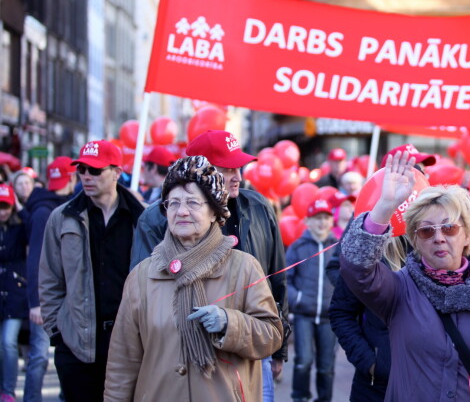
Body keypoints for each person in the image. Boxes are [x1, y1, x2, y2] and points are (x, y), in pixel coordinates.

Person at [339, 151, 470, 402]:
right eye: (426, 231)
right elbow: (356, 269)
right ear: (415, 240)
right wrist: (384, 206)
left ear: (468, 235)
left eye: (449, 228)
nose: (439, 237)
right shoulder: (399, 290)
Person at [104, 155, 283, 400]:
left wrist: (229, 324)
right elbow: (123, 361)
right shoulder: (143, 276)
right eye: (173, 203)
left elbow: (272, 335)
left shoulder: (243, 268)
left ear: (214, 212)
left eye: (192, 203)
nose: (182, 212)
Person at [39, 140, 145, 402]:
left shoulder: (140, 218)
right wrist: (57, 333)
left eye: (95, 170)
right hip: (76, 347)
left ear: (116, 173)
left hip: (128, 343)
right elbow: (50, 278)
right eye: (82, 169)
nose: (86, 176)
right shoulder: (62, 218)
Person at [329, 232, 410, 401]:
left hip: (427, 383)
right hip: (375, 385)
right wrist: (370, 363)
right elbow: (342, 312)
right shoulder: (363, 250)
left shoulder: (432, 248)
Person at [22, 157, 77, 402]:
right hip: (50, 296)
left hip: (70, 295)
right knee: (40, 356)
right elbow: (35, 257)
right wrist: (36, 301)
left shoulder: (73, 205)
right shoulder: (44, 212)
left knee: (64, 357)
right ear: (73, 178)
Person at [286, 198, 338, 402]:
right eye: (317, 218)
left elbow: (345, 280)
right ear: (307, 221)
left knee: (326, 366)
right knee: (303, 361)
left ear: (331, 221)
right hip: (303, 315)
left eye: (325, 218)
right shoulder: (297, 248)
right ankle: (300, 397)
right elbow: (286, 280)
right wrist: (297, 299)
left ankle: (324, 399)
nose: (322, 223)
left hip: (328, 317)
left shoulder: (337, 248)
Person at [0, 183, 28, 402]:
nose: (2, 211)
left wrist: (19, 207)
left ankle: (8, 390)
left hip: (15, 294)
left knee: (9, 342)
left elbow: (33, 229)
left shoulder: (19, 227)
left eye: (6, 207)